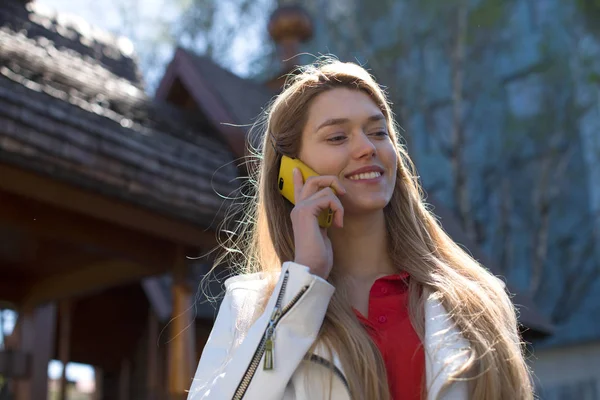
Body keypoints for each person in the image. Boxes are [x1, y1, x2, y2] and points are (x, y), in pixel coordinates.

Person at [187, 58, 534, 400]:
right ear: (291, 172)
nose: (367, 148)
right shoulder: (251, 308)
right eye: (337, 137)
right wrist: (303, 284)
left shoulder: (479, 302)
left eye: (378, 132)